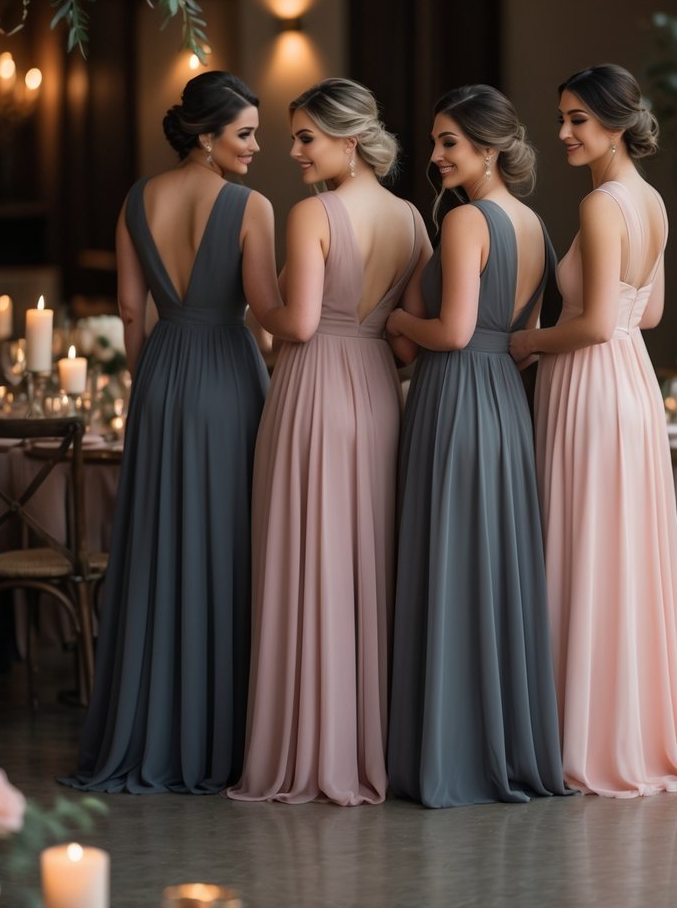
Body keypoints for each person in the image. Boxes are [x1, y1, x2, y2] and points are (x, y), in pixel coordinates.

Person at [511, 63, 677, 797]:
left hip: (588, 385)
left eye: (576, 120)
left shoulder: (599, 209)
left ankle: (584, 733)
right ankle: (626, 725)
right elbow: (642, 314)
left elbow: (585, 324)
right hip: (631, 383)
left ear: (615, 122)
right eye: (561, 119)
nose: (561, 134)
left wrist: (521, 345)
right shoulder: (650, 202)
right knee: (619, 553)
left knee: (586, 546)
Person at [63, 71, 276, 793]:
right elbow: (272, 315)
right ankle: (225, 733)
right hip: (227, 373)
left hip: (159, 378)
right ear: (206, 136)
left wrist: (145, 383)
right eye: (245, 133)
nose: (256, 145)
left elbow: (129, 313)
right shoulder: (251, 207)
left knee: (159, 547)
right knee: (230, 544)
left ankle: (151, 726)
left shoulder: (134, 201)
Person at [228, 78, 430, 807]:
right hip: (377, 392)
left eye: (306, 137)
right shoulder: (411, 220)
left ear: (349, 139)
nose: (293, 151)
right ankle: (366, 744)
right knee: (366, 564)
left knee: (307, 557)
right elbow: (409, 345)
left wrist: (255, 299)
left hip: (312, 394)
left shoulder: (313, 214)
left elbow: (300, 324)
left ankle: (309, 747)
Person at [385, 84, 569, 808]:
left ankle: (449, 754)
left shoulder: (466, 224)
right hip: (502, 402)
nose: (433, 157)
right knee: (490, 570)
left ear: (489, 147)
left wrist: (399, 314)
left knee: (451, 568)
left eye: (448, 143)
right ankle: (502, 743)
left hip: (454, 397)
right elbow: (521, 339)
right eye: (434, 142)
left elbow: (453, 331)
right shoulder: (533, 223)